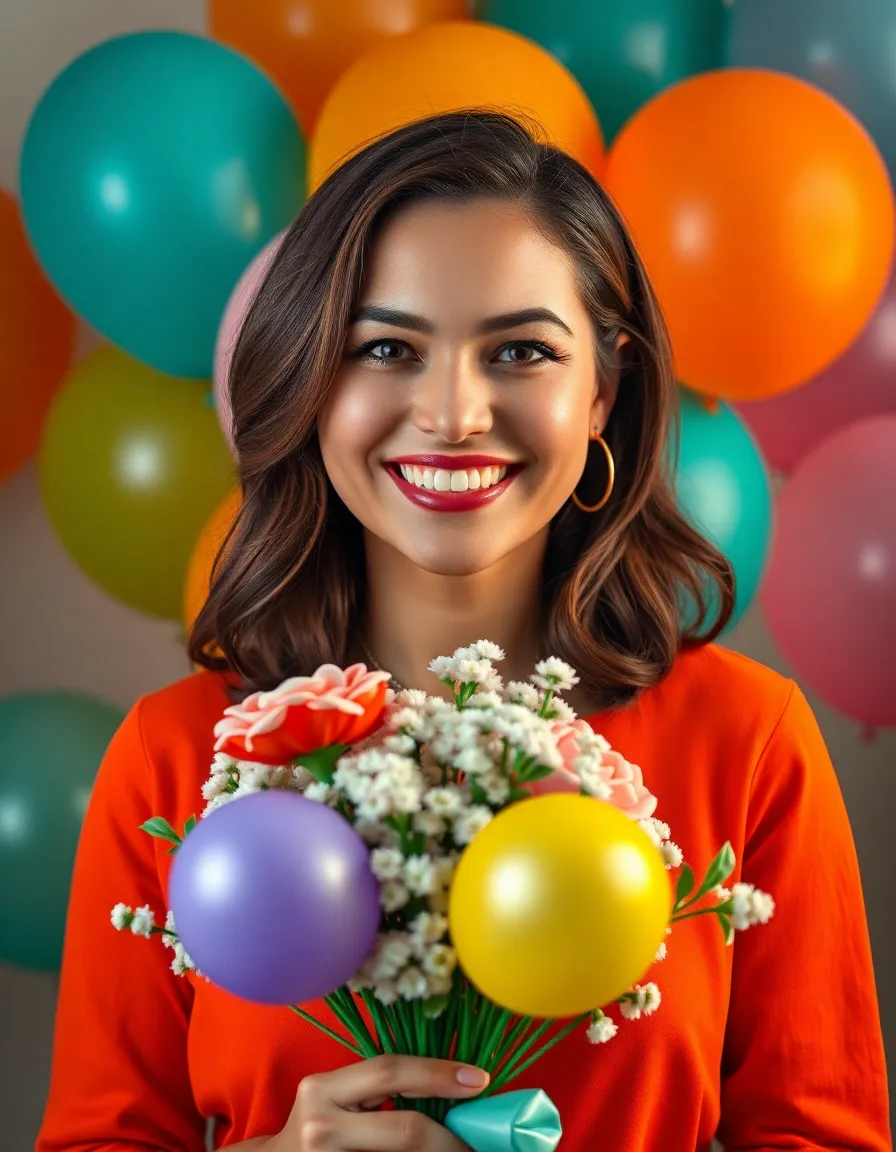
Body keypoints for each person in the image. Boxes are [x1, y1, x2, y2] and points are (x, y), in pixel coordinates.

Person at [37, 110, 889, 1152]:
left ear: (601, 393)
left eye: (520, 351)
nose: (452, 414)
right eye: (386, 348)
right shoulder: (171, 763)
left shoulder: (745, 743)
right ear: (311, 383)